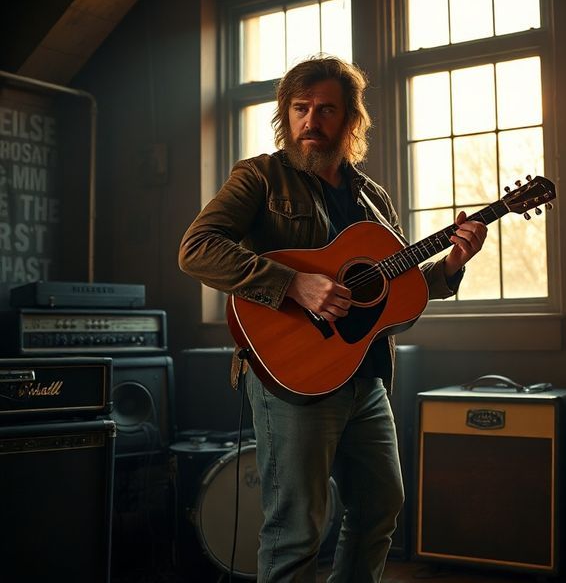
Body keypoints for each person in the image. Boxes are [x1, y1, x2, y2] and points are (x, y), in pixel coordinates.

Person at [178, 55, 487, 583]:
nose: (310, 121)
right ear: (286, 113)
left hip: (366, 377)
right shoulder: (260, 176)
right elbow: (197, 249)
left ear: (350, 120)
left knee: (379, 510)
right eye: (300, 108)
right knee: (296, 530)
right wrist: (293, 283)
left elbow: (391, 294)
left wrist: (452, 265)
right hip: (292, 378)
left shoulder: (373, 199)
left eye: (325, 109)